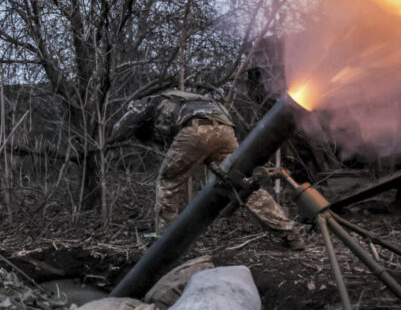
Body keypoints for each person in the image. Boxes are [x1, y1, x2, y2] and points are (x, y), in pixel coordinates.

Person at [109, 89, 305, 250]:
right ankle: (289, 232)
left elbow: (121, 126)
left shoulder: (147, 101)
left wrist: (109, 141)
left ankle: (164, 241)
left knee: (168, 182)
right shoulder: (185, 100)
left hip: (195, 129)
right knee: (242, 183)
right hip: (225, 129)